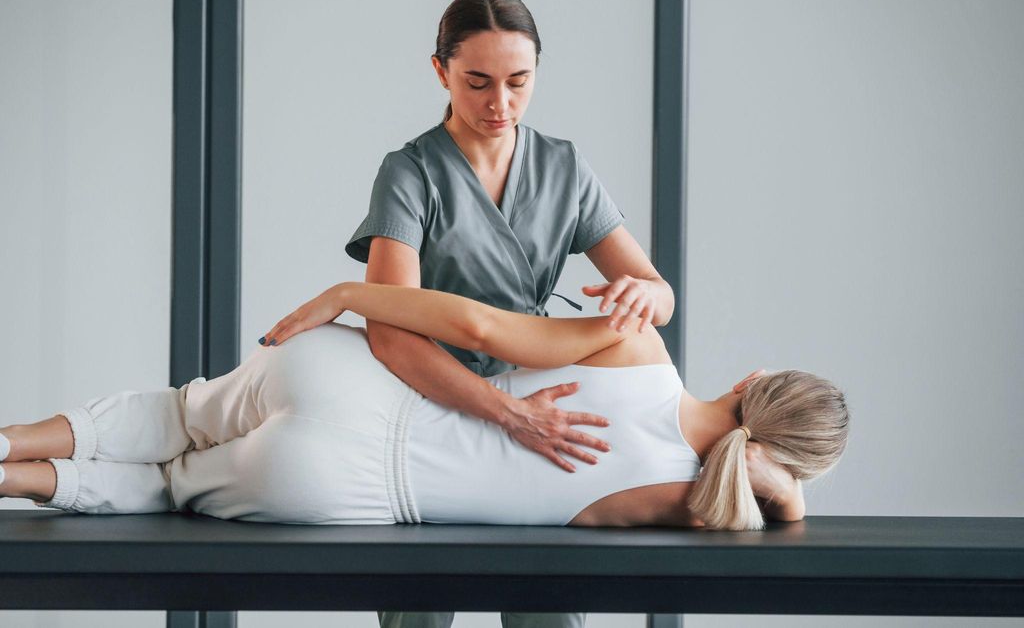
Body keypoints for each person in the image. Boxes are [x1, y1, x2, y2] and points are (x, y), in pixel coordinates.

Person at [0, 281, 849, 536]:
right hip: (345, 492)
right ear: (777, 461)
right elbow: (779, 513)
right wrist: (785, 487)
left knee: (181, 411)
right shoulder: (690, 504)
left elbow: (479, 325)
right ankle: (26, 480)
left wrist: (349, 294)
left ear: (753, 378)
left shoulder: (637, 352)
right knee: (169, 488)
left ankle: (7, 440)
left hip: (363, 384)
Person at [344, 0, 673, 628]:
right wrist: (505, 412)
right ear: (440, 71)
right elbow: (389, 332)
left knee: (546, 604)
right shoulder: (411, 173)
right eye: (477, 82)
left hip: (539, 409)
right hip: (429, 406)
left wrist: (646, 294)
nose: (501, 104)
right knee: (420, 609)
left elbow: (657, 293)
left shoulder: (564, 167)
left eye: (519, 82)